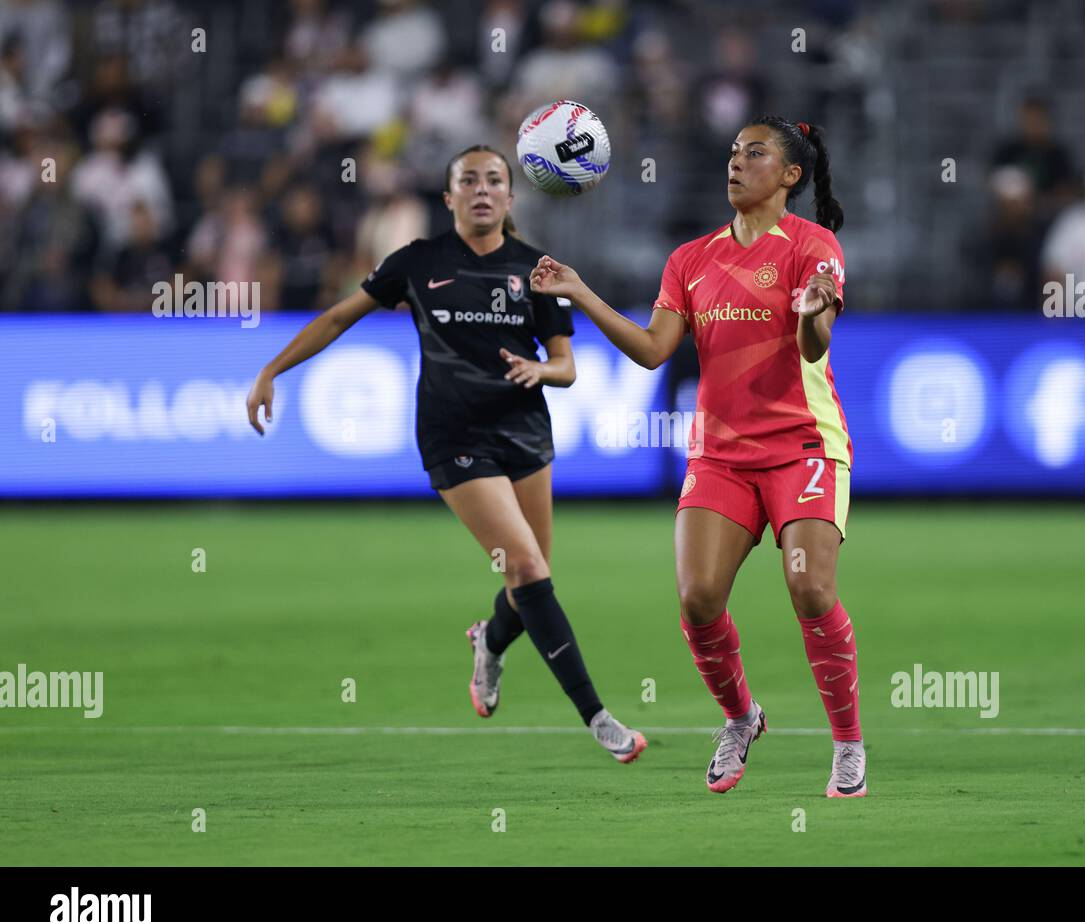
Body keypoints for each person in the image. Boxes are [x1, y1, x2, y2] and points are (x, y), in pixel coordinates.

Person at [245, 144, 647, 764]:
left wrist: (542, 370)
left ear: (510, 199)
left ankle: (489, 641)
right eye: (469, 181)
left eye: (494, 181)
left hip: (525, 434)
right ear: (448, 198)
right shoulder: (418, 261)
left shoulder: (535, 269)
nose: (482, 190)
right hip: (454, 437)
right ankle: (597, 718)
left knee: (527, 581)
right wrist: (272, 368)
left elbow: (566, 365)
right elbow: (335, 320)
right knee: (528, 570)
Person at [528, 115, 865, 797]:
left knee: (810, 587)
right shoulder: (690, 259)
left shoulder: (813, 245)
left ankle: (848, 744)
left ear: (790, 175)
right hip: (720, 454)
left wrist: (810, 310)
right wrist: (582, 291)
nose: (737, 162)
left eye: (756, 153)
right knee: (699, 596)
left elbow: (814, 346)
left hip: (803, 446)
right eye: (734, 152)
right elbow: (655, 350)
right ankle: (741, 717)